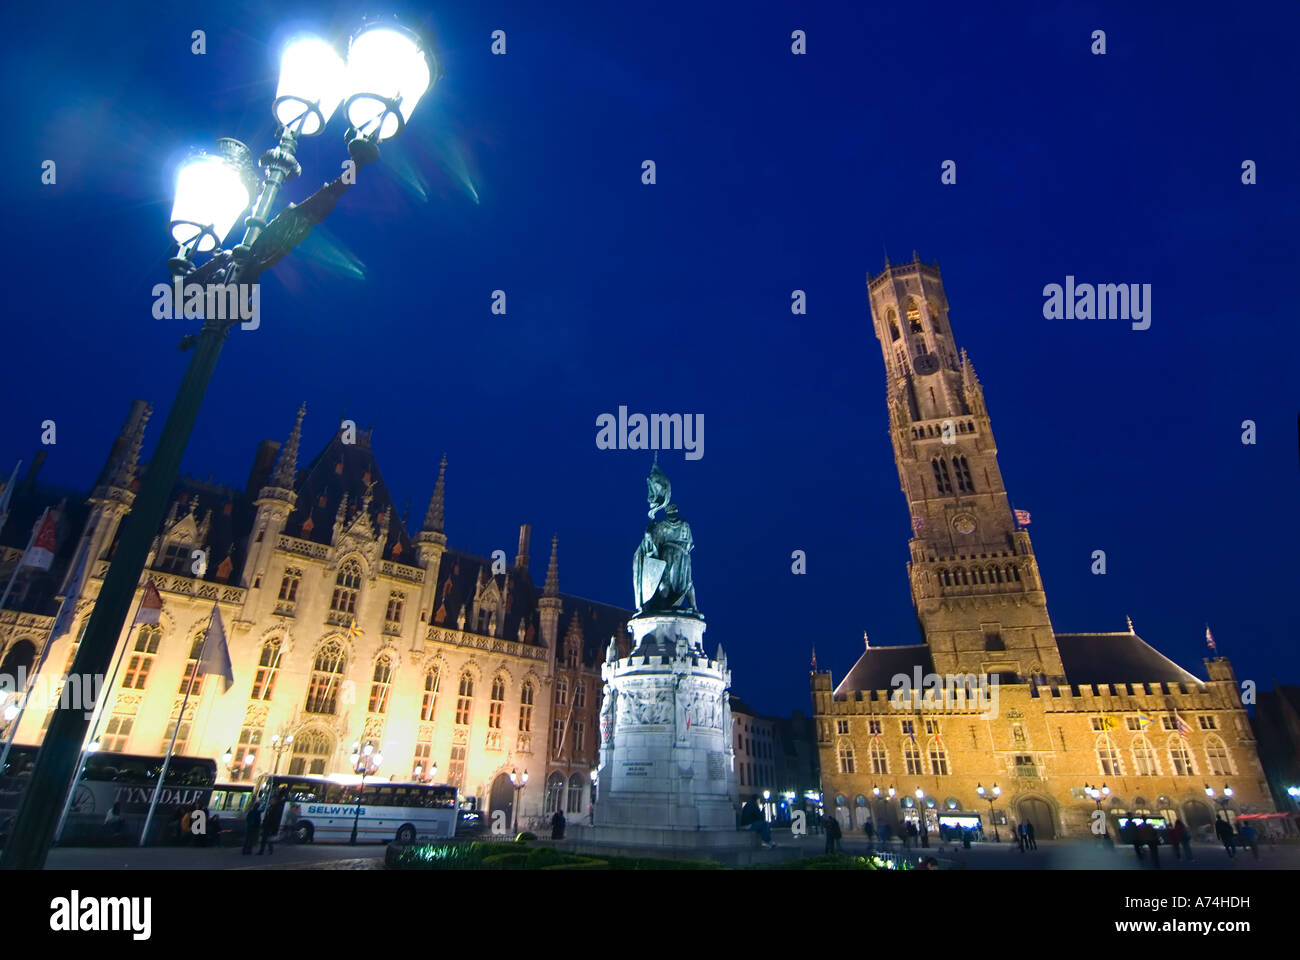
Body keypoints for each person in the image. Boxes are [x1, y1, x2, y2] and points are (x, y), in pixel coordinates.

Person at [258, 790, 286, 855]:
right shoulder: (271, 807)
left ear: (275, 801)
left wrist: (271, 826)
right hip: (267, 826)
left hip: (269, 826)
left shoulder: (275, 809)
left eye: (272, 800)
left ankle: (263, 850)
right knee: (267, 839)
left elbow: (273, 819)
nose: (271, 801)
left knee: (266, 839)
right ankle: (268, 850)